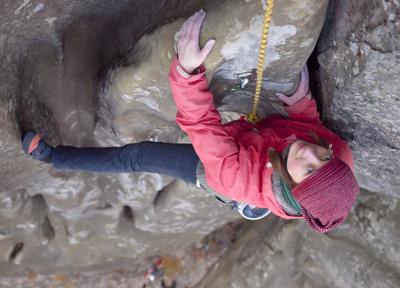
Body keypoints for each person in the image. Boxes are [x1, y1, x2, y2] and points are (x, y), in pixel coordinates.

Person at [23, 10, 359, 233]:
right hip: (260, 142)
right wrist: (303, 108)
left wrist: (186, 71)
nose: (310, 153)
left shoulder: (234, 177)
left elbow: (201, 123)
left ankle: (54, 156)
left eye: (310, 170)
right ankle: (259, 203)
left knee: (136, 156)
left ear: (295, 184)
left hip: (227, 171)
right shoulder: (338, 154)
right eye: (323, 157)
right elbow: (315, 133)